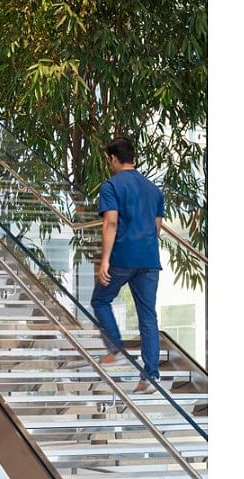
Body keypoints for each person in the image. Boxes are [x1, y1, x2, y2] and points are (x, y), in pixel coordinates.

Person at [90, 137, 165, 394]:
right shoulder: (153, 189)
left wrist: (105, 261)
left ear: (112, 158)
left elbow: (110, 222)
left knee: (100, 300)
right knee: (148, 315)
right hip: (149, 260)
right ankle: (151, 376)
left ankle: (115, 349)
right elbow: (157, 228)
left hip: (123, 256)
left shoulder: (111, 185)